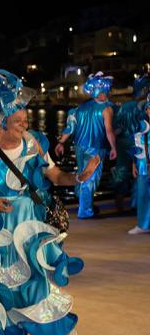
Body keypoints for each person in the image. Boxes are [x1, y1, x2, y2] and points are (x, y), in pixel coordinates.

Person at [0, 68, 100, 335]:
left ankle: (62, 327)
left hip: (28, 227)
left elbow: (55, 176)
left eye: (25, 120)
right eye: (18, 121)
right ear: (2, 122)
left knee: (35, 281)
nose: (24, 124)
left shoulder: (34, 144)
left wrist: (80, 177)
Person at [54, 72, 117, 219]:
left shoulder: (80, 108)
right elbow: (109, 131)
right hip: (96, 147)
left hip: (80, 147)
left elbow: (70, 128)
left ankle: (84, 202)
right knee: (91, 177)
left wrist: (61, 143)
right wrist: (114, 148)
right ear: (105, 90)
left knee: (83, 174)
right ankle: (85, 211)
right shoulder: (107, 109)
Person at [113, 74, 150, 214]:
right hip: (142, 143)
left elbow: (117, 128)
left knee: (121, 170)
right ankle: (137, 205)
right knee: (141, 173)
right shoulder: (145, 107)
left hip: (123, 142)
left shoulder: (125, 106)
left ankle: (119, 202)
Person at [129, 96, 150, 234]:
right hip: (142, 164)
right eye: (149, 108)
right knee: (142, 193)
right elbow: (136, 145)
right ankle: (143, 225)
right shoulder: (141, 124)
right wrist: (133, 164)